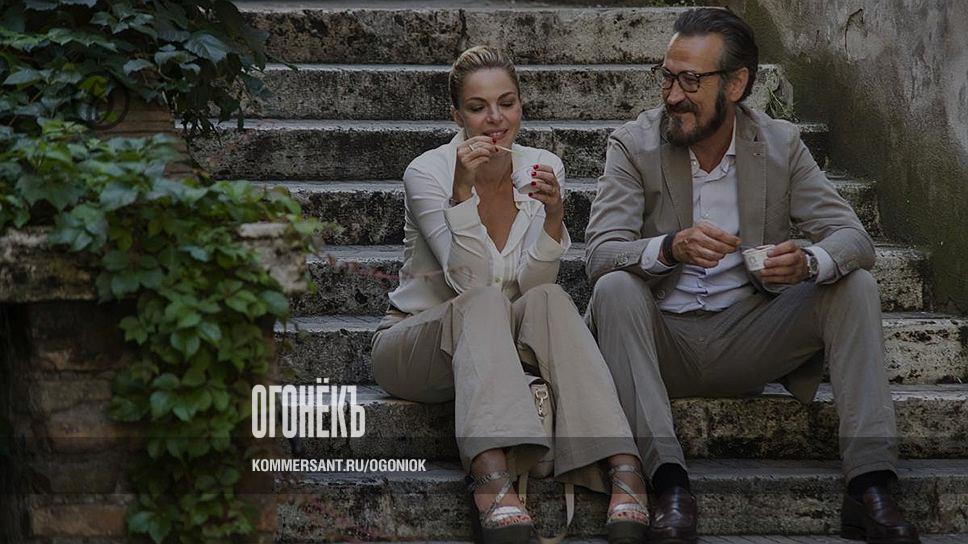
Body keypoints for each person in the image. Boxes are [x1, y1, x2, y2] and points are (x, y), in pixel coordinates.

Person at [583, 8, 920, 544]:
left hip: (751, 338)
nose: (673, 95)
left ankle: (870, 484)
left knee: (854, 284)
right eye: (667, 77)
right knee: (615, 287)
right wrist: (670, 247)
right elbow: (600, 254)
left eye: (690, 80)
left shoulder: (780, 145)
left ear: (736, 84)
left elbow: (852, 238)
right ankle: (667, 485)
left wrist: (809, 262)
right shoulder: (634, 144)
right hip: (658, 344)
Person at [370, 46, 649, 544]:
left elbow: (533, 293)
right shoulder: (428, 173)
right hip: (415, 345)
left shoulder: (542, 166)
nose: (495, 119)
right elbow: (471, 284)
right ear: (456, 115)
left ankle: (623, 465)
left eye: (507, 103)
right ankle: (490, 479)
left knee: (552, 300)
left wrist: (555, 219)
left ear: (521, 105)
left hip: (503, 343)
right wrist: (462, 194)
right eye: (477, 107)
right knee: (484, 302)